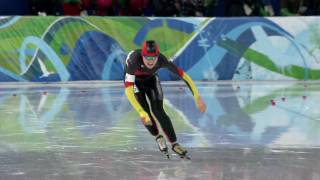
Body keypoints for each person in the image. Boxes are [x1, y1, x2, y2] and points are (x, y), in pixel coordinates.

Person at [123, 40, 206, 158]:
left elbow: (184, 76)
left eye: (153, 58)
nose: (151, 61)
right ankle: (157, 136)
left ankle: (174, 144)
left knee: (159, 111)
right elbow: (128, 90)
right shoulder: (134, 60)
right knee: (145, 113)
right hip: (135, 82)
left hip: (151, 79)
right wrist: (140, 111)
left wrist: (197, 97)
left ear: (158, 56)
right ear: (142, 56)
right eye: (147, 58)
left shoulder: (162, 60)